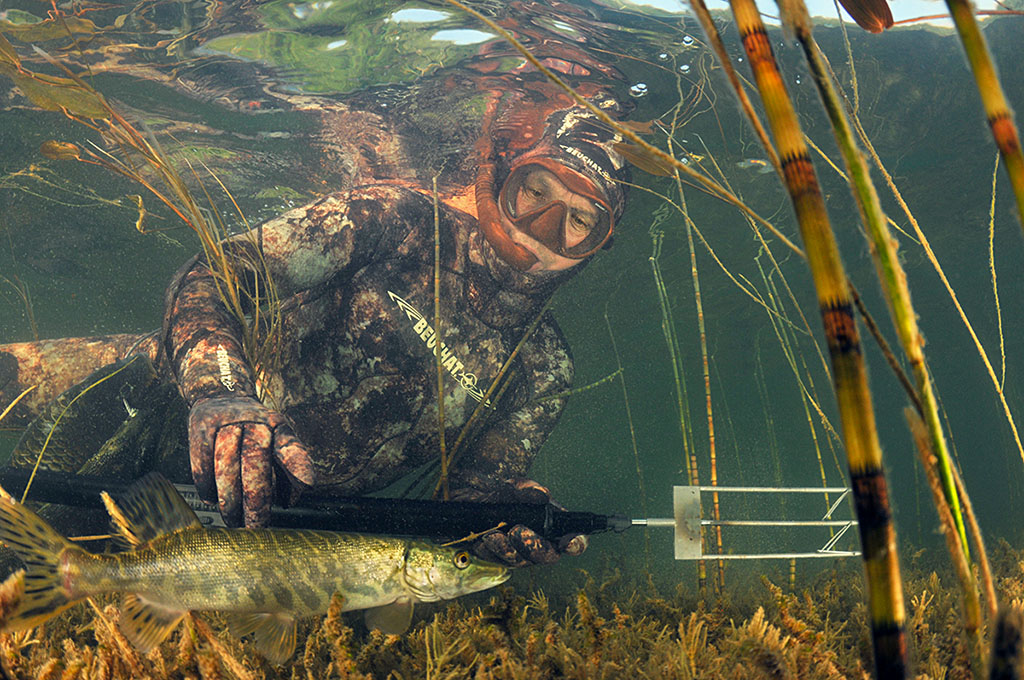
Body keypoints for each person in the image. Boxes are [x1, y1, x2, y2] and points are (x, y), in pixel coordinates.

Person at [0, 76, 631, 568]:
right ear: (501, 177)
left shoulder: (541, 366)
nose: (540, 233)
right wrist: (223, 395)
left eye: (580, 221)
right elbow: (219, 275)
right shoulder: (395, 221)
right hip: (141, 396)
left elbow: (468, 497)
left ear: (598, 247)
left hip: (250, 525)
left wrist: (506, 520)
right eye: (536, 192)